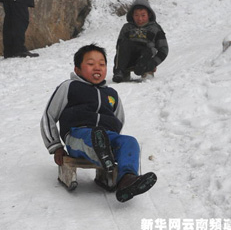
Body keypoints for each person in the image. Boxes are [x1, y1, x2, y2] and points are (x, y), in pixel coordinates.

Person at [40, 44, 157, 202]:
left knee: (130, 142)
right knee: (91, 137)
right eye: (90, 64)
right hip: (78, 135)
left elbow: (118, 119)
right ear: (77, 69)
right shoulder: (70, 86)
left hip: (107, 136)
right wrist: (56, 146)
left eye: (102, 64)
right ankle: (102, 152)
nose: (97, 67)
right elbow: (49, 115)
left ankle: (127, 179)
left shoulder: (111, 94)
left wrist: (117, 140)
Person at [113, 0, 169, 83]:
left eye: (143, 15)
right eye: (136, 15)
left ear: (149, 15)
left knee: (147, 51)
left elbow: (164, 49)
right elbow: (119, 47)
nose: (140, 19)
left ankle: (146, 71)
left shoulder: (155, 29)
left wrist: (153, 63)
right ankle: (121, 72)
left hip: (145, 58)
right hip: (129, 58)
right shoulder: (126, 28)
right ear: (132, 15)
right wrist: (118, 68)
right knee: (124, 44)